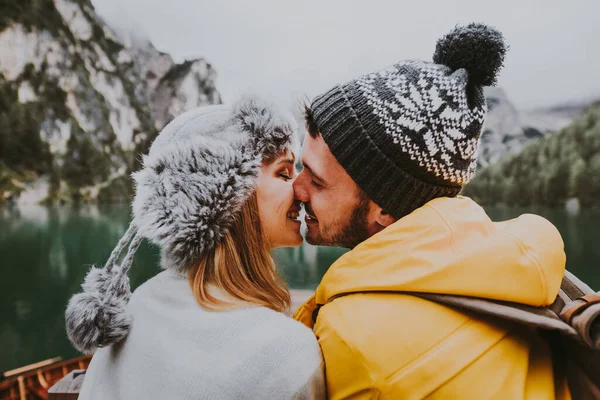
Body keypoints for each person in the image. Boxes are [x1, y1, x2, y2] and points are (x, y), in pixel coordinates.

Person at [293, 23, 570, 399]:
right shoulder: (514, 267)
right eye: (299, 166)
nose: (297, 188)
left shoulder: (354, 338)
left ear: (386, 208)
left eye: (317, 180)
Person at [65, 96, 325, 400]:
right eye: (283, 173)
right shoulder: (288, 353)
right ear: (225, 194)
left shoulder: (139, 304)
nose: (300, 188)